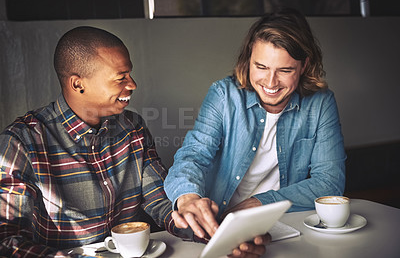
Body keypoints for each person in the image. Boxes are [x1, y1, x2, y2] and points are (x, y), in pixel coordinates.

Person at [0, 26, 269, 257]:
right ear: (77, 84)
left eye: (130, 74)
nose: (133, 84)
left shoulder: (133, 127)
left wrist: (208, 229)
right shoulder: (21, 143)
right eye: (121, 78)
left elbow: (160, 201)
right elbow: (7, 242)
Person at [165, 8, 346, 241]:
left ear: (304, 66)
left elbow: (329, 182)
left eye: (285, 70)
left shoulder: (321, 102)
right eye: (261, 67)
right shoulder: (223, 95)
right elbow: (193, 156)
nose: (270, 82)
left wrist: (260, 203)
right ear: (249, 58)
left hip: (287, 225)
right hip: (221, 228)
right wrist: (188, 197)